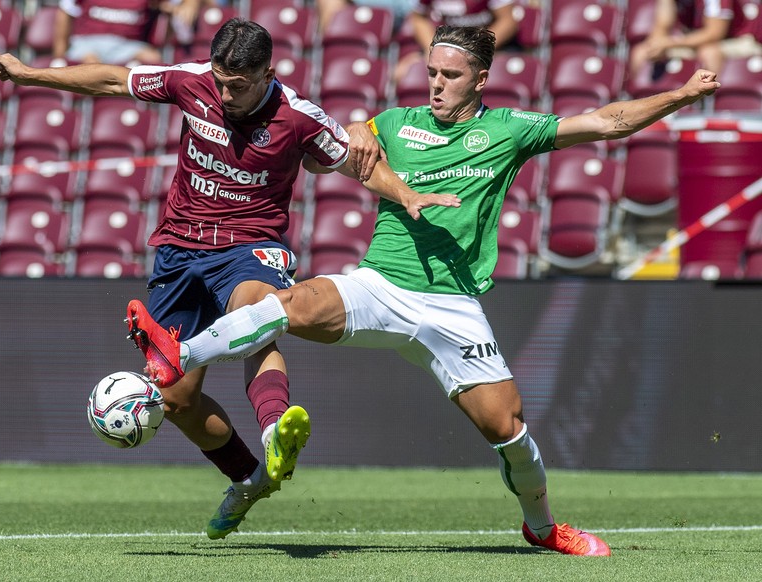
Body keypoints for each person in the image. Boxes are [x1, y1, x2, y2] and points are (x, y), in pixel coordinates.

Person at [123, 25, 722, 554]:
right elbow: (342, 141)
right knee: (282, 306)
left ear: (480, 80)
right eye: (431, 72)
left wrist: (682, 95)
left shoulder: (510, 130)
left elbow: (608, 121)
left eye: (450, 75)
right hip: (379, 285)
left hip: (452, 305)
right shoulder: (397, 123)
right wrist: (361, 127)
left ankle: (542, 527)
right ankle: (178, 357)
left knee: (506, 430)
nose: (436, 85)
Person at [0, 18, 458, 540]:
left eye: (240, 84)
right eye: (221, 80)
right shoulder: (192, 83)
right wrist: (30, 75)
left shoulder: (298, 118)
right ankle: (249, 481)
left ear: (268, 73)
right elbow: (110, 79)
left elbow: (360, 163)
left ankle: (275, 429)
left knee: (258, 310)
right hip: (179, 250)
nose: (227, 92)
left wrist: (407, 195)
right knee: (175, 400)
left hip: (249, 245)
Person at [629, 0, 762, 77]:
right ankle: (637, 109)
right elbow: (661, 27)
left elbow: (714, 33)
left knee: (709, 53)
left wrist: (669, 43)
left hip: (736, 39)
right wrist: (655, 47)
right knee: (641, 51)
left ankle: (709, 111)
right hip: (692, 39)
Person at [394, 0, 519, 80]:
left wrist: (477, 49)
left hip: (489, 49)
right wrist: (431, 49)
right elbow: (418, 18)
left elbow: (508, 21)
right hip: (447, 47)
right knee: (403, 73)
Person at [53, 0, 166, 66]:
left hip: (128, 45)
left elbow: (171, 5)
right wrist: (59, 56)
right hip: (88, 43)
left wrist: (182, 5)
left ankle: (138, 105)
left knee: (153, 60)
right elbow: (65, 13)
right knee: (92, 65)